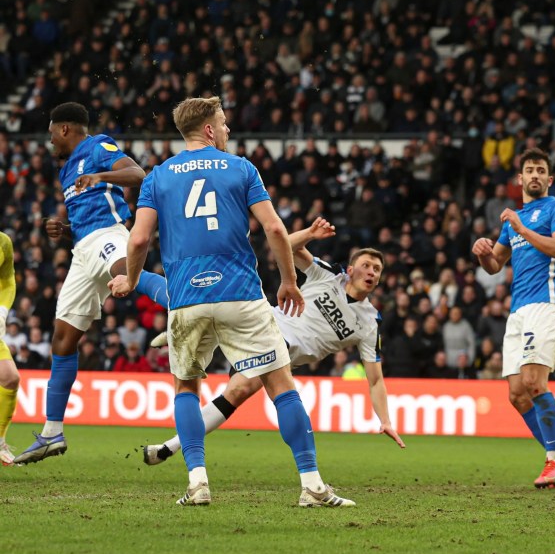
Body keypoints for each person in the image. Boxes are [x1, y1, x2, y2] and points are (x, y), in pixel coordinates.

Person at [109, 96, 352, 508]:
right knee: (281, 386)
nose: (226, 130)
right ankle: (311, 485)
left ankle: (198, 483)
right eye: (222, 123)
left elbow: (137, 239)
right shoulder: (241, 168)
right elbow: (274, 228)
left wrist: (130, 280)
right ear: (207, 129)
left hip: (187, 299)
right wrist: (289, 281)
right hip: (239, 292)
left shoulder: (158, 177)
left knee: (187, 387)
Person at [129, 218, 405, 464]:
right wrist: (309, 233)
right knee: (220, 309)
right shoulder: (327, 275)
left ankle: (169, 446)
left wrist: (385, 420)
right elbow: (282, 246)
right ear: (352, 268)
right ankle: (151, 294)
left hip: (281, 353)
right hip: (263, 325)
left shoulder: (370, 322)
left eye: (377, 269)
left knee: (235, 393)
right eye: (367, 265)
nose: (371, 272)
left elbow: (375, 380)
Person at [15, 103, 154, 464]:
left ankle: (189, 299)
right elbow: (84, 219)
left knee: (128, 273)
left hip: (109, 235)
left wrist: (101, 177)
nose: (48, 141)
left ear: (64, 129)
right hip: (82, 249)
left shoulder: (97, 147)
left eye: (50, 133)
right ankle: (51, 433)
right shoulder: (65, 173)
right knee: (62, 339)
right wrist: (63, 231)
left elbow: (137, 173)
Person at [472, 147, 555, 489]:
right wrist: (483, 253)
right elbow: (495, 266)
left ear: (549, 180)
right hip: (518, 311)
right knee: (518, 394)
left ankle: (553, 462)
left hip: (546, 305)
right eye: (529, 170)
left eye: (540, 171)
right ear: (519, 179)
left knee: (536, 383)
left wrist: (521, 226)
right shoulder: (512, 221)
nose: (534, 175)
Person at [0, 232, 20, 465]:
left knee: (10, 378)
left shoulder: (3, 241)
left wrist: (3, 310)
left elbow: (7, 281)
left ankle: (0, 442)